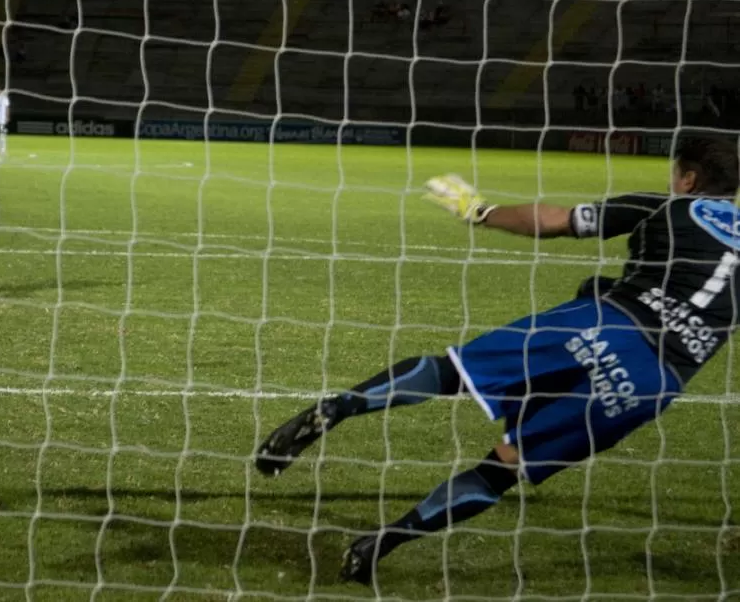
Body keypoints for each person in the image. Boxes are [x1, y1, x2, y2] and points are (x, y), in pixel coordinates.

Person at [253, 137, 740, 585]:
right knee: (503, 468)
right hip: (653, 380)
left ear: (689, 179)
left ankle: (336, 409)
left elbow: (557, 221)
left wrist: (480, 211)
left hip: (605, 322)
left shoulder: (666, 207)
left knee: (454, 372)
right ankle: (380, 546)